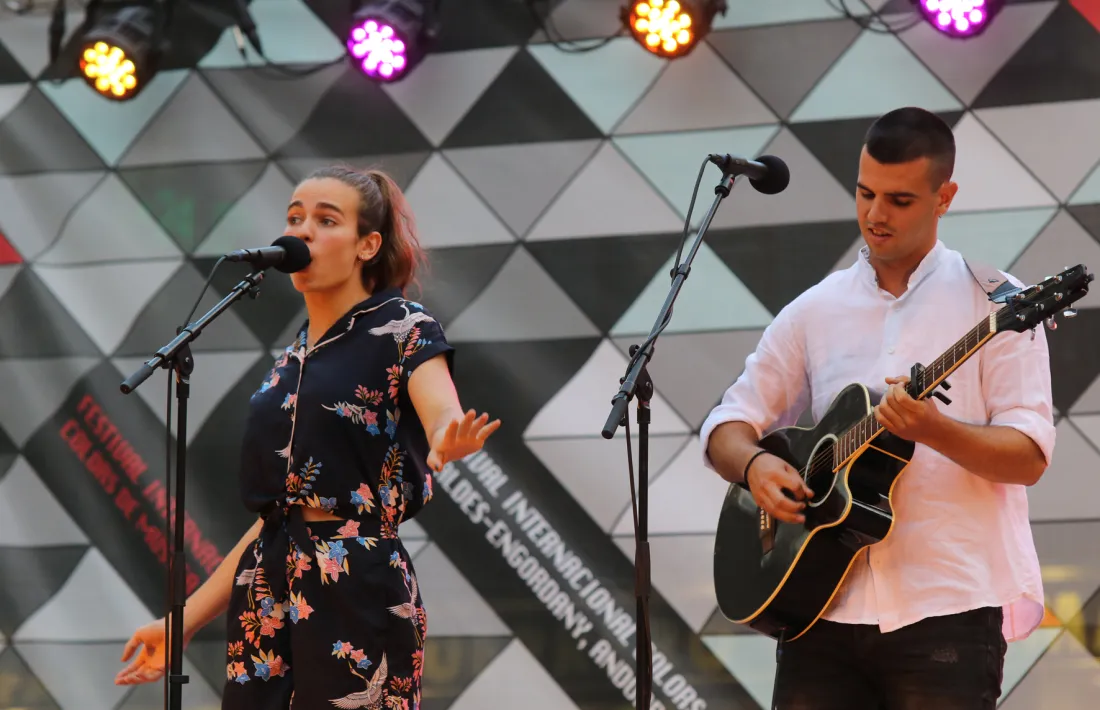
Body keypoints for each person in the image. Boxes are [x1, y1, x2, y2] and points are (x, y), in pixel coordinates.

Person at [700, 107, 1055, 709]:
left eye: (899, 199)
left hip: (947, 607)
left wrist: (935, 430)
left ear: (944, 198)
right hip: (818, 612)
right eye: (865, 193)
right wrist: (755, 466)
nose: (875, 214)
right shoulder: (814, 310)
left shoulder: (998, 304)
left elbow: (1028, 456)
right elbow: (727, 425)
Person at [114, 165, 501, 708]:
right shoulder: (293, 356)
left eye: (326, 220)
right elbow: (277, 518)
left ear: (368, 245)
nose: (301, 231)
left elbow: (441, 411)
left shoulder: (404, 326)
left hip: (356, 584)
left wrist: (446, 436)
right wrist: (181, 623)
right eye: (295, 218)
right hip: (266, 587)